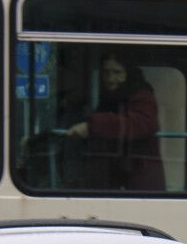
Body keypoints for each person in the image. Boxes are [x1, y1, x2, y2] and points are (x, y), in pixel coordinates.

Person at [66, 51, 166, 191]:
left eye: (117, 72)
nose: (110, 78)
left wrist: (92, 125)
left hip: (139, 176)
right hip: (113, 174)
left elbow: (140, 123)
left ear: (128, 73)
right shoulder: (103, 96)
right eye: (106, 72)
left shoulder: (142, 95)